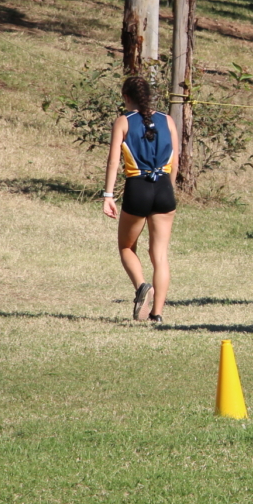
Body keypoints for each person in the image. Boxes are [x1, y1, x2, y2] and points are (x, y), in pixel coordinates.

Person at [102, 76, 181, 324]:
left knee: (127, 247)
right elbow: (175, 160)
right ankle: (156, 315)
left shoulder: (123, 121)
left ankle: (141, 286)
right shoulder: (167, 120)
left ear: (126, 97)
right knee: (159, 255)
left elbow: (113, 161)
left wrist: (108, 195)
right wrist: (169, 189)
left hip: (138, 188)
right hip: (164, 189)